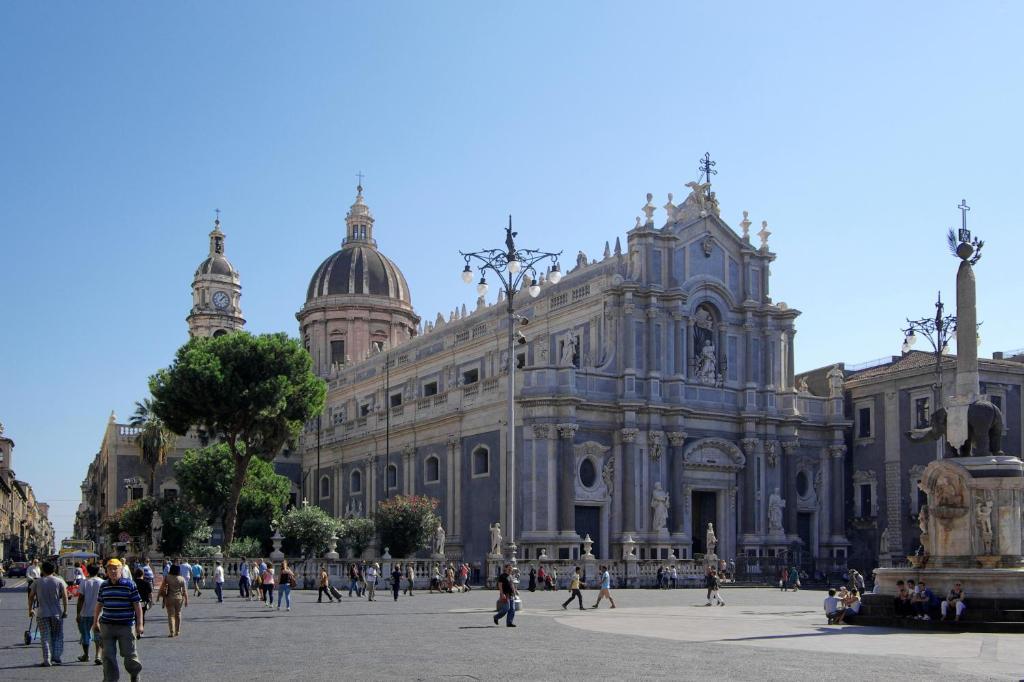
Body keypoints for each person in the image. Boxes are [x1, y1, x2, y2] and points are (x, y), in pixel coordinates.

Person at [93, 558, 143, 681]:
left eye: (116, 568)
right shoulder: (104, 585)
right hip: (107, 626)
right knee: (108, 656)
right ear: (106, 571)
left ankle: (134, 673)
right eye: (110, 569)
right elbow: (99, 604)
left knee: (130, 655)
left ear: (121, 569)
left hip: (126, 626)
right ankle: (111, 679)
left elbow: (137, 605)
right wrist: (95, 622)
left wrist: (139, 624)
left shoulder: (130, 584)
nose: (113, 571)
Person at [27, 559, 68, 667]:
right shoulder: (59, 581)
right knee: (58, 635)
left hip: (42, 613)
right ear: (54, 569)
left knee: (45, 637)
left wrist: (30, 609)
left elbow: (31, 597)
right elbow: (65, 596)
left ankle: (47, 659)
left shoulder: (37, 582)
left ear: (43, 570)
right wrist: (66, 610)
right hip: (57, 613)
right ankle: (57, 657)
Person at [76, 563, 104, 664]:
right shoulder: (102, 582)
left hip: (85, 613)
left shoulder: (84, 582)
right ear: (98, 571)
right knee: (98, 635)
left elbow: (80, 599)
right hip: (99, 613)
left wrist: (78, 613)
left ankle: (86, 655)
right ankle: (98, 656)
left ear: (87, 571)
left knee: (85, 635)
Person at [157, 563, 188, 637]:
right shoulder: (181, 578)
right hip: (179, 598)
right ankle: (178, 631)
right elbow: (185, 591)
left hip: (169, 598)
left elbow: (162, 587)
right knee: (178, 614)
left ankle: (172, 632)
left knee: (171, 615)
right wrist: (187, 600)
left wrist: (158, 596)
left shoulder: (167, 577)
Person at [133, 568, 152, 635]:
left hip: (134, 602)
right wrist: (150, 602)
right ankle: (140, 630)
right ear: (143, 574)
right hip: (143, 602)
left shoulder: (132, 582)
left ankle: (135, 629)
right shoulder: (146, 583)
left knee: (134, 616)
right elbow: (150, 593)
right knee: (142, 615)